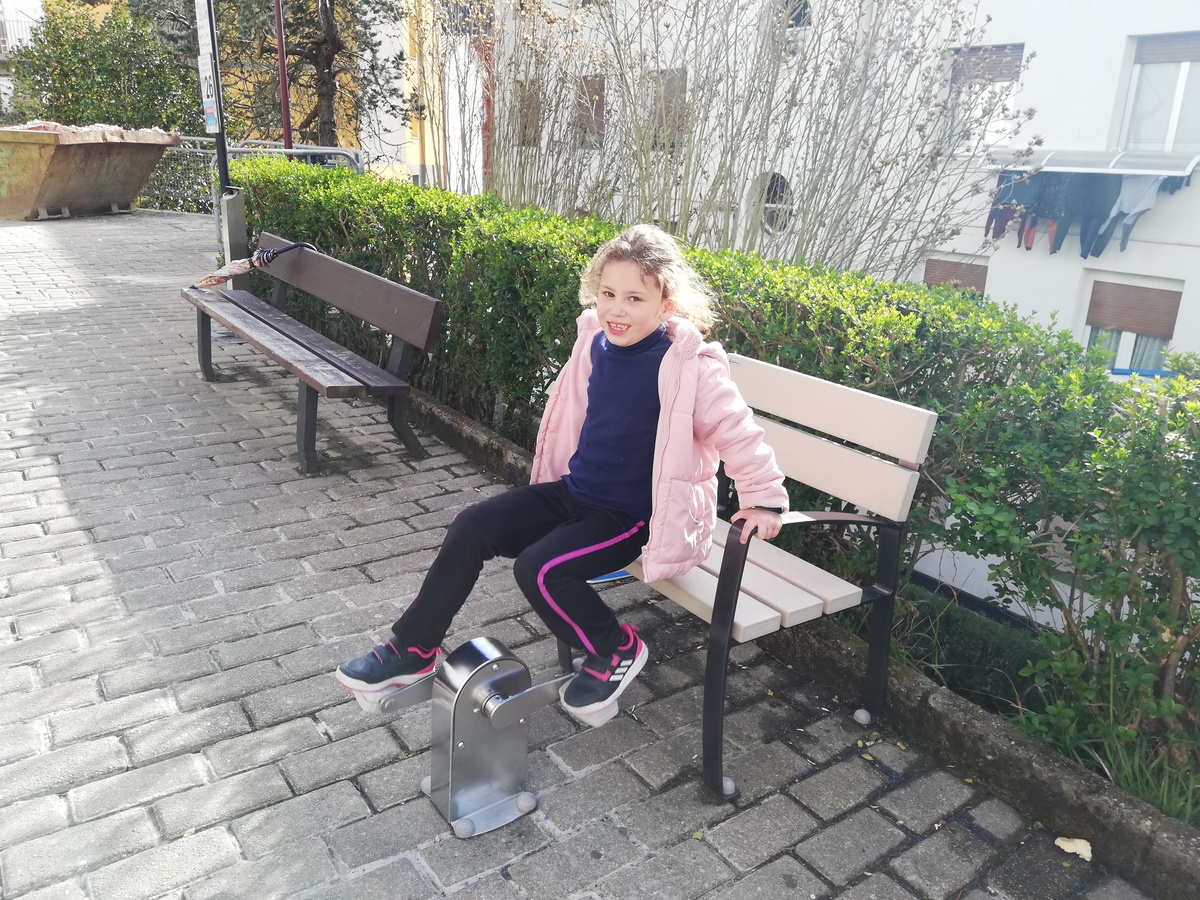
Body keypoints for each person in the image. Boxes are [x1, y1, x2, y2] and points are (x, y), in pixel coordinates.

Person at [335, 224, 789, 727]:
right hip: (576, 492)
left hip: (632, 517)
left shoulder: (687, 366)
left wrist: (764, 499)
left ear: (667, 305)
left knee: (541, 568)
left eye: (635, 298)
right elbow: (573, 411)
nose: (617, 309)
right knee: (471, 526)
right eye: (608, 293)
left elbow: (737, 430)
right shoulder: (594, 343)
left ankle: (615, 647)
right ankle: (414, 648)